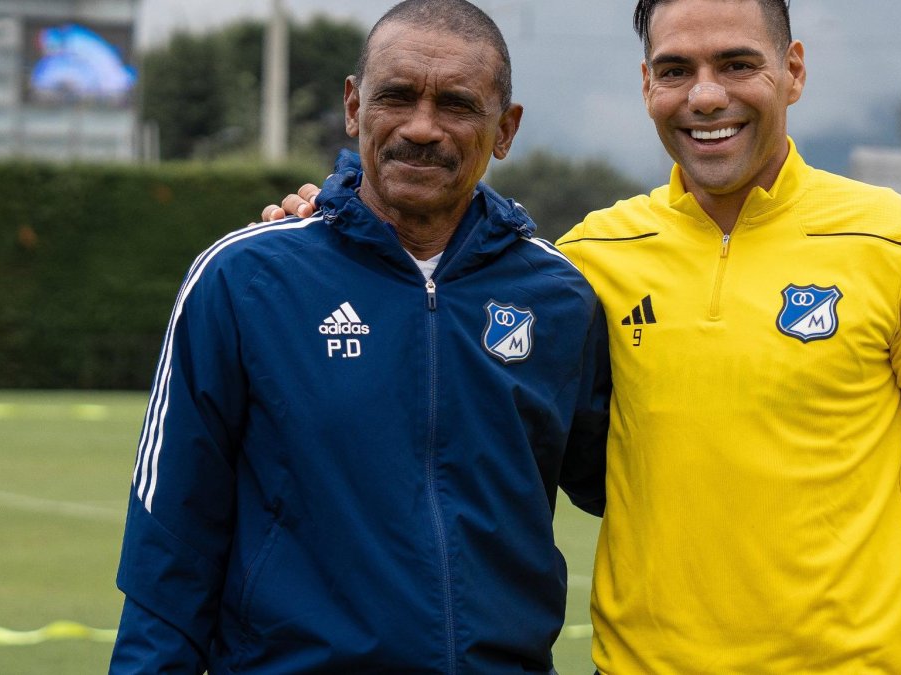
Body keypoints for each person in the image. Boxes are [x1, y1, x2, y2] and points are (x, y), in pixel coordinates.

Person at [271, 0, 901, 672]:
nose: (707, 95)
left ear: (793, 71)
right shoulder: (585, 266)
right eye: (676, 70)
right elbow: (440, 324)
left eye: (738, 64)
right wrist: (326, 224)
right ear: (647, 84)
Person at [110, 1, 606, 672]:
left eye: (458, 105)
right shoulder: (243, 280)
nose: (421, 128)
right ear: (353, 104)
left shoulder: (561, 298)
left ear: (506, 128)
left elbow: (637, 491)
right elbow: (168, 552)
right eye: (396, 97)